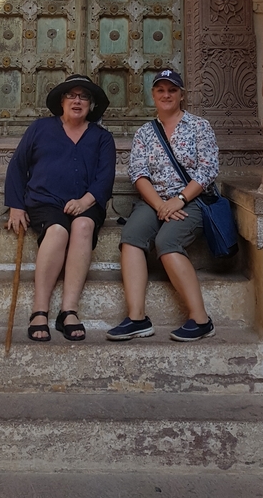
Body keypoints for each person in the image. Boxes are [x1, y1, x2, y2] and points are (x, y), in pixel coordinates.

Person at [106, 69, 219, 343]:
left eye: (172, 90)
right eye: (161, 90)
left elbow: (207, 170)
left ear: (182, 95)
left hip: (191, 200)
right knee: (132, 237)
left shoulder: (199, 126)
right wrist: (160, 205)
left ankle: (200, 319)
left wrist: (178, 200)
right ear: (153, 95)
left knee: (167, 242)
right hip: (155, 200)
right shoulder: (145, 132)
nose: (166, 95)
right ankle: (137, 318)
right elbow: (138, 174)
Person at [5, 74, 115, 343]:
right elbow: (18, 166)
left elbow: (105, 178)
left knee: (83, 226)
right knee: (57, 231)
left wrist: (85, 202)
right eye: (72, 95)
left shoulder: (102, 138)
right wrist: (16, 206)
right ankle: (39, 311)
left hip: (87, 203)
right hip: (45, 201)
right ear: (62, 101)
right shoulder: (40, 128)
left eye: (84, 96)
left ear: (91, 104)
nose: (77, 101)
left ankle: (69, 311)